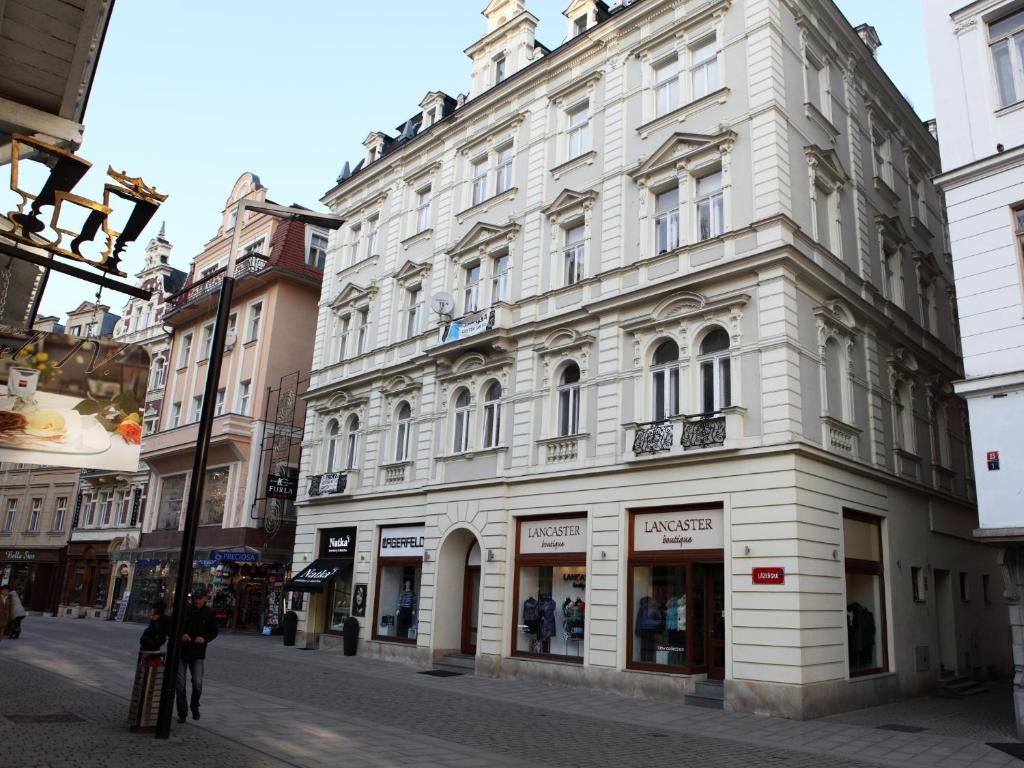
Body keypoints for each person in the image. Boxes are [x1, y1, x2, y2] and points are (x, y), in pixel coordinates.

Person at [175, 587, 218, 723]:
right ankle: (182, 712)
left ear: (205, 599)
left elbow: (214, 631)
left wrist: (204, 638)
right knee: (180, 684)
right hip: (182, 651)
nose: (197, 601)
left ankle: (195, 705)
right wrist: (181, 634)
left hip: (198, 652)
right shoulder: (186, 610)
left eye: (200, 599)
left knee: (198, 683)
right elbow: (175, 625)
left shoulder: (209, 613)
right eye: (195, 599)